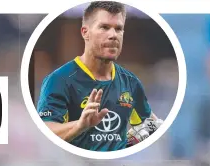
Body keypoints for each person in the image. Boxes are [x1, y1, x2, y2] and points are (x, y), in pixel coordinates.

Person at [37, 2, 162, 151]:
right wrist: (80, 125)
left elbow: (152, 124)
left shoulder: (131, 82)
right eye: (104, 27)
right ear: (85, 32)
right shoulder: (59, 80)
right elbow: (46, 132)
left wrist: (130, 142)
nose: (113, 35)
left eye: (118, 29)